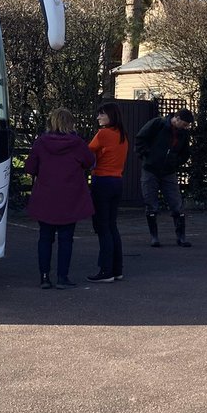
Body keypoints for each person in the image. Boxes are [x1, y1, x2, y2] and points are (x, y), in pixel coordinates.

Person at [24, 108, 95, 289]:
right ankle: (63, 277)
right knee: (66, 238)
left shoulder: (41, 143)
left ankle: (45, 277)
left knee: (45, 238)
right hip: (70, 197)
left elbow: (30, 167)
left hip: (45, 196)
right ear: (70, 123)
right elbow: (89, 161)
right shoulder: (77, 143)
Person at [134, 108, 194, 248]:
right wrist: (147, 156)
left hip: (168, 171)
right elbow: (140, 138)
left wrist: (175, 162)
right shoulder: (158, 124)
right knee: (151, 203)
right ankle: (154, 237)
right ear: (177, 119)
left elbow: (185, 152)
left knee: (176, 203)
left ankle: (181, 237)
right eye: (184, 124)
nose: (186, 127)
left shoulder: (183, 134)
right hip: (151, 169)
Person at [87, 102, 129, 282]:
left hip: (102, 181)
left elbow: (86, 152)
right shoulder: (122, 135)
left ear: (110, 115)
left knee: (102, 227)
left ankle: (106, 270)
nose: (98, 117)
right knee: (112, 226)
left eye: (101, 114)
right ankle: (117, 268)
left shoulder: (103, 134)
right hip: (117, 181)